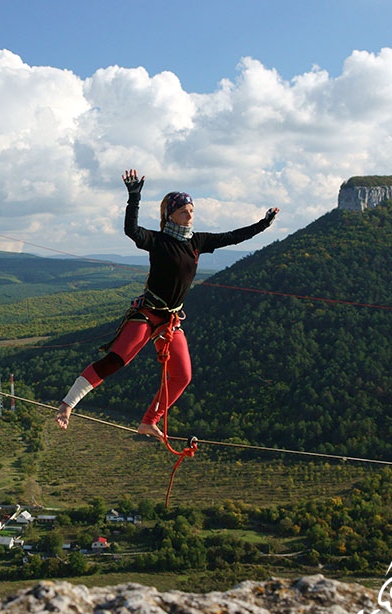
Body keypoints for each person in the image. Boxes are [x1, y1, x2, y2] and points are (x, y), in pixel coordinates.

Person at [54, 169, 279, 439]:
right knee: (115, 360)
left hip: (170, 321)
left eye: (192, 210)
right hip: (147, 314)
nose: (190, 215)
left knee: (182, 376)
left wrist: (263, 224)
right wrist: (134, 198)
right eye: (184, 210)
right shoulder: (159, 241)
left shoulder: (197, 241)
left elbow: (233, 236)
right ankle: (68, 404)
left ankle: (149, 421)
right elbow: (132, 231)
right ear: (169, 215)